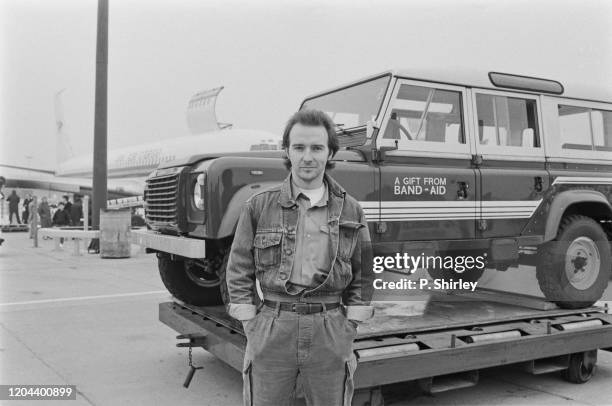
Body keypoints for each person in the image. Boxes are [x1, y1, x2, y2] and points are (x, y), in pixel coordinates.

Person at [226, 109, 373, 406]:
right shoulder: (257, 207)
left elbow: (364, 273)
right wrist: (252, 325)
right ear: (287, 151)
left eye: (317, 148)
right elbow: (238, 268)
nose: (308, 157)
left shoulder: (352, 210)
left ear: (330, 152)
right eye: (299, 147)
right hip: (272, 328)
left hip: (330, 330)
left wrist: (348, 328)